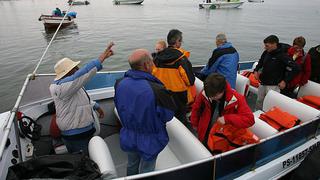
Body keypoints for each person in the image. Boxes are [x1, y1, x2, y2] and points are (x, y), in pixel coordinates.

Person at [114, 49, 176, 175]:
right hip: (150, 140)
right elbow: (168, 115)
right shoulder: (157, 89)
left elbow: (119, 104)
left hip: (128, 135)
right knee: (147, 170)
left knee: (131, 164)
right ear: (146, 65)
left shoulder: (119, 83)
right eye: (151, 61)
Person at [49, 42, 114, 154]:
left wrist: (96, 106)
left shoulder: (71, 86)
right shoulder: (63, 87)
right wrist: (102, 57)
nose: (78, 69)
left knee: (88, 156)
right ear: (68, 72)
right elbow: (85, 73)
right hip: (75, 134)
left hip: (81, 130)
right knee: (83, 160)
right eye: (75, 68)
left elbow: (79, 100)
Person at [191, 73, 255, 147]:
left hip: (222, 137)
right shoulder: (206, 92)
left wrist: (227, 119)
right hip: (204, 132)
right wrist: (194, 124)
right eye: (209, 96)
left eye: (214, 96)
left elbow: (250, 119)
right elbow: (196, 108)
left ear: (223, 90)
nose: (211, 98)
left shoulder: (238, 99)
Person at [153, 29, 195, 127]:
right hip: (179, 97)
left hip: (162, 94)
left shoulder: (157, 58)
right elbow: (190, 81)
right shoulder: (182, 59)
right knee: (180, 121)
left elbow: (152, 76)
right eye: (181, 41)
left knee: (165, 120)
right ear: (177, 42)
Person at [254, 35, 295, 110]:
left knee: (271, 104)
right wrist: (256, 70)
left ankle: (268, 118)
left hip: (274, 85)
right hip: (263, 82)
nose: (265, 47)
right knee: (259, 100)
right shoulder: (266, 52)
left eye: (267, 46)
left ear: (274, 44)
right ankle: (257, 117)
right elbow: (261, 61)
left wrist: (285, 81)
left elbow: (296, 68)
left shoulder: (282, 55)